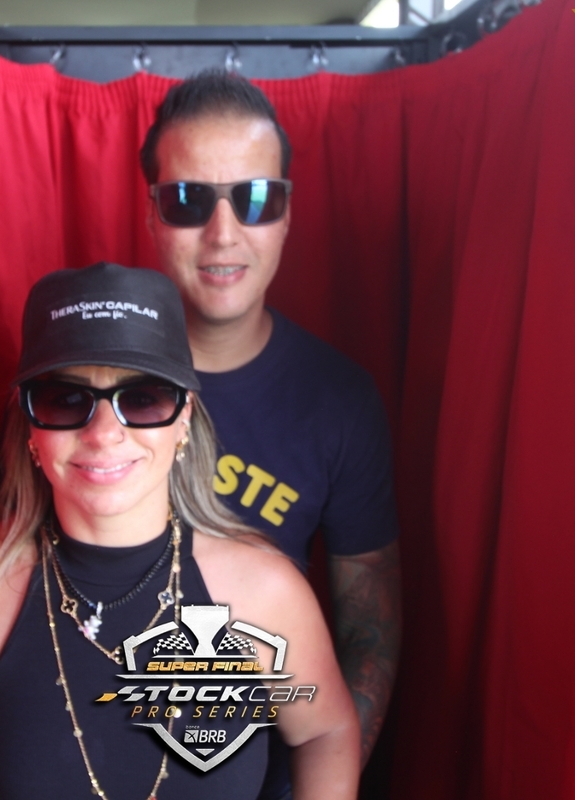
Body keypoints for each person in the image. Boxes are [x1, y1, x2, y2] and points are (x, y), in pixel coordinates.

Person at [0, 262, 359, 800]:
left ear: (184, 416)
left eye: (143, 397)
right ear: (30, 425)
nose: (104, 433)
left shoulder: (265, 595)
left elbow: (325, 731)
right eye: (66, 398)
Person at [140, 71, 403, 792]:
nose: (223, 233)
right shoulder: (80, 385)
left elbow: (369, 631)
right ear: (153, 214)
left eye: (256, 200)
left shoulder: (341, 401)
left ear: (286, 216)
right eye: (189, 201)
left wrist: (309, 782)